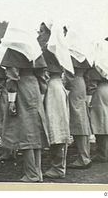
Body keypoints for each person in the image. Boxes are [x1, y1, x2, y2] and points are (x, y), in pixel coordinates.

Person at [0, 23, 49, 182]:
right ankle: (38, 172)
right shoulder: (35, 50)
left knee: (25, 131)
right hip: (35, 88)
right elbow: (43, 76)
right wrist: (41, 94)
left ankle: (31, 173)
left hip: (21, 88)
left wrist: (11, 101)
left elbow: (12, 77)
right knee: (36, 129)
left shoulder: (13, 50)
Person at [38, 21, 74, 179]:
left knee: (55, 125)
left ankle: (58, 167)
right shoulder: (58, 47)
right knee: (58, 124)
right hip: (58, 84)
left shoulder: (47, 49)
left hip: (51, 86)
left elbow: (44, 71)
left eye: (41, 32)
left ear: (48, 33)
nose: (39, 35)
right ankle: (58, 164)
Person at [64, 25, 93, 169]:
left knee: (77, 119)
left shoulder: (70, 53)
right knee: (82, 117)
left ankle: (83, 157)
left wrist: (66, 87)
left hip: (74, 84)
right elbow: (88, 76)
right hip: (81, 84)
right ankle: (85, 154)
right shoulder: (82, 54)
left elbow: (69, 74)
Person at [85, 38, 108, 162]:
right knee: (105, 121)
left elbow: (92, 84)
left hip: (98, 92)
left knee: (99, 122)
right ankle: (105, 151)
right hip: (107, 91)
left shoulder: (96, 65)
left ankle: (102, 154)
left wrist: (88, 98)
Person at [0, 41, 14, 161]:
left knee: (3, 121)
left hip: (3, 93)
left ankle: (7, 151)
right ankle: (13, 150)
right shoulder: (11, 60)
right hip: (12, 91)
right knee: (11, 121)